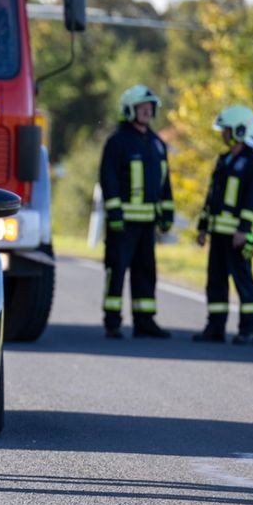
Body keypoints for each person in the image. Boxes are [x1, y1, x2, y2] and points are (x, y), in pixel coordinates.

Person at [98, 85, 175, 339]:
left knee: (146, 271)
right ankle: (112, 321)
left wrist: (167, 212)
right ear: (129, 110)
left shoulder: (157, 143)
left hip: (147, 223)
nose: (147, 111)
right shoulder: (117, 142)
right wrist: (115, 212)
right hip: (123, 223)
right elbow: (108, 179)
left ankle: (145, 322)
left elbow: (165, 182)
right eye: (142, 107)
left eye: (150, 107)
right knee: (117, 269)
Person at [194, 106, 253, 345]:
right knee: (215, 281)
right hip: (218, 233)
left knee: (243, 281)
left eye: (226, 130)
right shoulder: (224, 160)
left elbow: (252, 200)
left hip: (237, 235)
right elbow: (212, 196)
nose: (223, 134)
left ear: (239, 130)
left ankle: (248, 330)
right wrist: (203, 226)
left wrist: (243, 230)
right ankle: (215, 328)